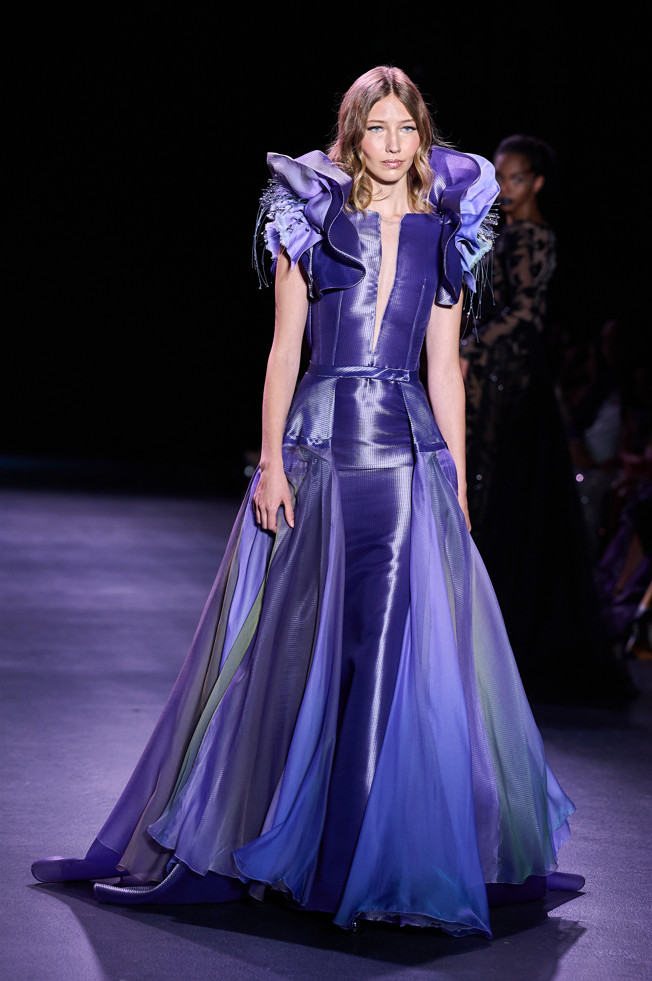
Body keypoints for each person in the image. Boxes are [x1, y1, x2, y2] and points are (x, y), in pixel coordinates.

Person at [32, 68, 582, 939]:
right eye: (378, 127)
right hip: (318, 451)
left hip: (404, 459)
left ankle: (352, 858)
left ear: (424, 135)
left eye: (408, 127)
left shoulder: (446, 229)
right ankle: (262, 836)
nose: (394, 143)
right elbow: (283, 350)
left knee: (384, 651)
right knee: (285, 649)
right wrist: (271, 464)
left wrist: (456, 482)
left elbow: (445, 365)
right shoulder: (311, 217)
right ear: (353, 135)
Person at [460, 135, 634, 704]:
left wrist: (471, 347)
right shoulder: (503, 231)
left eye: (516, 178)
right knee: (485, 490)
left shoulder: (533, 235)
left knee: (496, 491)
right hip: (492, 371)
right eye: (500, 177)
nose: (506, 187)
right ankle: (477, 635)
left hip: (510, 374)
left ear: (536, 182)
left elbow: (528, 314)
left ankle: (494, 641)